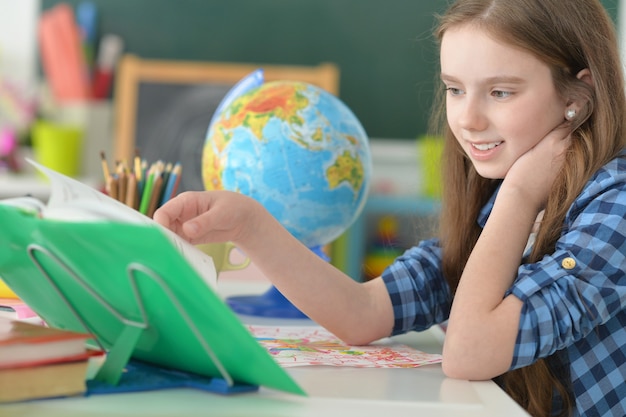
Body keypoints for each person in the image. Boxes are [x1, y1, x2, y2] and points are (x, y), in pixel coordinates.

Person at [154, 0, 626, 415]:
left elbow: (468, 353)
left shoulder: (613, 206)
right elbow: (363, 312)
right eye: (455, 89)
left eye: (501, 92)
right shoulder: (505, 203)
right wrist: (249, 225)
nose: (467, 118)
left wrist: (519, 195)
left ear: (577, 97)